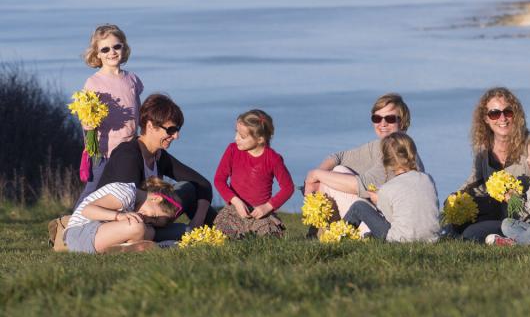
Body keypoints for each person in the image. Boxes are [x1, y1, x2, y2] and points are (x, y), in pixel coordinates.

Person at [97, 93, 215, 240]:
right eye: (171, 130)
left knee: (188, 188)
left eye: (177, 130)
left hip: (152, 220)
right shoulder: (128, 156)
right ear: (150, 126)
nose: (176, 136)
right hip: (123, 226)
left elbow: (202, 184)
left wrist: (198, 220)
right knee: (184, 232)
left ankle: (216, 229)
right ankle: (194, 232)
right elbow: (128, 208)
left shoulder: (159, 155)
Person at [303, 93, 425, 225]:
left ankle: (335, 231)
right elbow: (338, 157)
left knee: (328, 182)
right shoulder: (381, 145)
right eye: (377, 118)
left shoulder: (399, 153)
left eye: (389, 118)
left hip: (394, 225)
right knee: (336, 171)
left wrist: (315, 175)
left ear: (401, 122)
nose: (382, 124)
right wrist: (315, 178)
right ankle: (323, 229)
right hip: (383, 214)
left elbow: (363, 185)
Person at [74, 24, 144, 207]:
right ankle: (73, 224)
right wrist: (88, 126)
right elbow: (85, 113)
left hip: (129, 146)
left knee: (127, 188)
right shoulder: (93, 82)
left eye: (116, 46)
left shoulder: (132, 79)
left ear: (124, 47)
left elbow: (138, 106)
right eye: (105, 49)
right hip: (103, 150)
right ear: (97, 54)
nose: (111, 52)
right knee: (94, 189)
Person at [454, 87, 530, 243]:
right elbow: (474, 182)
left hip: (526, 218)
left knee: (470, 234)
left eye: (508, 112)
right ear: (486, 119)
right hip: (496, 214)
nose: (502, 118)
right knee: (456, 223)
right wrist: (455, 198)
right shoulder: (484, 150)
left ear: (516, 115)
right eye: (495, 113)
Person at [343, 132, 440, 242]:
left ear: (386, 160)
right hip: (431, 239)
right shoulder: (428, 179)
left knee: (359, 206)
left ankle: (336, 237)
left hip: (399, 240)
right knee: (370, 235)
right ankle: (369, 237)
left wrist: (378, 200)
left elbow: (390, 220)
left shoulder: (387, 188)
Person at [213, 109, 295, 238]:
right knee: (221, 234)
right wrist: (236, 202)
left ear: (260, 139)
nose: (236, 138)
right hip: (234, 211)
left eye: (242, 136)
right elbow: (219, 180)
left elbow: (288, 188)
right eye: (236, 133)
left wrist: (267, 207)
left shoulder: (273, 158)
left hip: (261, 213)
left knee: (269, 236)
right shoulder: (232, 150)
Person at [65, 177, 182, 254]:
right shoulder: (126, 194)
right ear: (156, 198)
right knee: (137, 227)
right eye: (154, 216)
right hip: (80, 233)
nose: (148, 219)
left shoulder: (135, 203)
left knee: (150, 231)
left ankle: (125, 248)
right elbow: (87, 210)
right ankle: (132, 248)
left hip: (96, 233)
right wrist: (118, 216)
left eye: (152, 221)